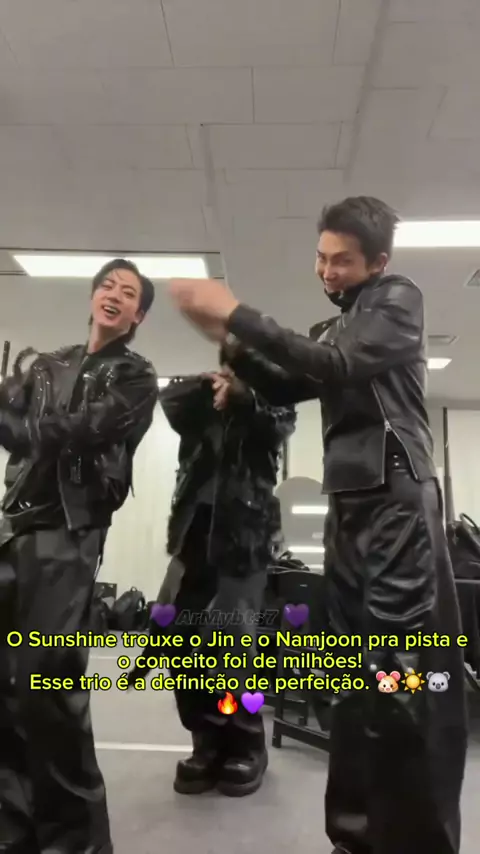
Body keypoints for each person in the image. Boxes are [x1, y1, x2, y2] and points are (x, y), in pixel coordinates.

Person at [168, 197, 468, 854]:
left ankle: (409, 841)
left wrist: (237, 313)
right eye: (322, 258)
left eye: (343, 261)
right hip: (354, 506)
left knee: (395, 675)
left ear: (377, 262)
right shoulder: (334, 326)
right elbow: (288, 381)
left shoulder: (397, 299)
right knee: (353, 676)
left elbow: (335, 367)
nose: (328, 272)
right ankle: (356, 836)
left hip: (396, 500)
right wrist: (227, 343)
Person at [0, 259, 158, 854]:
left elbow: (82, 429)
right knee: (7, 686)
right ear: (93, 296)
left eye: (129, 292)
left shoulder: (135, 376)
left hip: (70, 533)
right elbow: (17, 429)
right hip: (15, 527)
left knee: (48, 686)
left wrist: (20, 422)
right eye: (108, 285)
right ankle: (16, 828)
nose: (114, 294)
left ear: (138, 315)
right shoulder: (50, 364)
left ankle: (77, 842)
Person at [140, 352, 295, 797]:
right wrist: (210, 385)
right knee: (178, 641)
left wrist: (245, 395)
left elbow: (278, 423)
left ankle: (245, 743)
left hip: (244, 538)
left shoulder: (270, 404)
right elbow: (170, 401)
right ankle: (205, 741)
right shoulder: (200, 405)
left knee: (229, 644)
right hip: (193, 533)